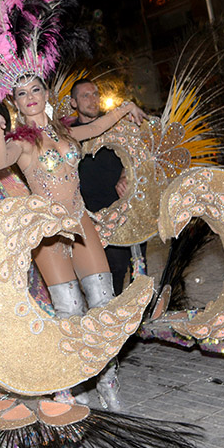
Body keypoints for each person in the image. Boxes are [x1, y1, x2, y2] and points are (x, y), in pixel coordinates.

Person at [0, 77, 146, 317]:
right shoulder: (21, 142)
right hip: (48, 228)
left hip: (79, 218)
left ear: (46, 94)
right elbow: (0, 161)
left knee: (104, 299)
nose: (30, 97)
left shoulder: (66, 133)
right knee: (70, 308)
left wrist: (126, 107)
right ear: (16, 103)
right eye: (22, 93)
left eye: (35, 90)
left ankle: (105, 344)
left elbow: (96, 128)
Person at [67, 79, 135, 296]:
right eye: (85, 95)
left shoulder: (117, 126)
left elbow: (135, 156)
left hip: (122, 208)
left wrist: (125, 175)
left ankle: (135, 314)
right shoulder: (68, 135)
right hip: (91, 214)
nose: (92, 99)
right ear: (73, 102)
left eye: (95, 94)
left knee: (135, 268)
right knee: (108, 271)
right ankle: (111, 314)